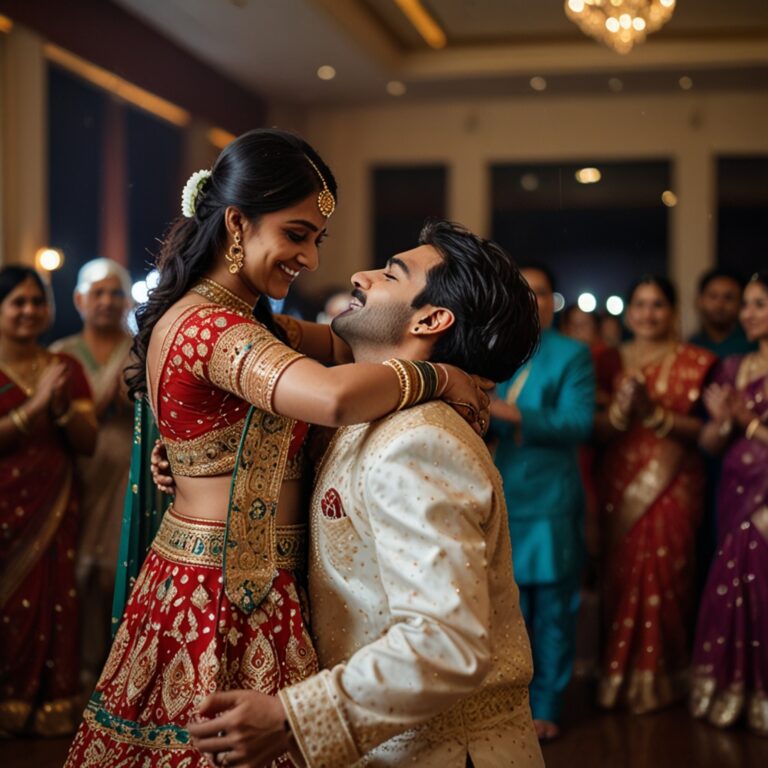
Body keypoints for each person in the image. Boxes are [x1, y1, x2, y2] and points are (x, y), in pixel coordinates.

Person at [64, 130, 487, 767]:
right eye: (296, 234)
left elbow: (350, 346)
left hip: (248, 582)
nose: (312, 259)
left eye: (316, 238)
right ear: (237, 222)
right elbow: (335, 397)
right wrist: (441, 376)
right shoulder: (214, 327)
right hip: (222, 597)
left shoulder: (252, 319)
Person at [183, 220, 544, 768]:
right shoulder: (376, 418)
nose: (359, 275)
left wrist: (290, 718)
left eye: (389, 274)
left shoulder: (419, 441)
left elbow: (448, 644)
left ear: (431, 318)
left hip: (446, 752)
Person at [596, 275, 716, 714]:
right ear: (628, 313)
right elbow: (598, 430)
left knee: (669, 574)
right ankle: (618, 675)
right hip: (622, 481)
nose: (648, 313)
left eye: (658, 305)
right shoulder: (609, 361)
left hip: (674, 485)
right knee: (623, 577)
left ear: (673, 311)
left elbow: (707, 431)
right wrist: (624, 411)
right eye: (641, 305)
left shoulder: (698, 361)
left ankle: (665, 677)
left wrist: (654, 412)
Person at [490, 265, 595, 741]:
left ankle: (549, 704)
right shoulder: (495, 350)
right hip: (501, 492)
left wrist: (507, 412)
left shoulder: (571, 354)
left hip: (551, 498)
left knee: (553, 607)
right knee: (507, 609)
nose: (532, 302)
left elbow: (577, 423)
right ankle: (512, 702)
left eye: (540, 293)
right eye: (523, 293)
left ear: (555, 300)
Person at [0, 266, 98, 736]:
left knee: (53, 596)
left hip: (54, 504)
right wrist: (33, 409)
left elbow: (87, 443)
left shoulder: (65, 369)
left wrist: (58, 408)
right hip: (3, 510)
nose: (29, 311)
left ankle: (48, 704)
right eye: (17, 302)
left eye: (37, 302)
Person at [50, 257, 134, 692]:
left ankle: (114, 674)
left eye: (115, 293)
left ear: (126, 302)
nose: (106, 301)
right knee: (76, 570)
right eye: (97, 293)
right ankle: (78, 670)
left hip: (125, 471)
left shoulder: (140, 351)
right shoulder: (60, 356)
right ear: (80, 300)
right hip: (74, 473)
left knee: (113, 570)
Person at [690, 271, 768, 736]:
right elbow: (709, 442)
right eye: (748, 304)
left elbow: (748, 427)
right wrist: (723, 423)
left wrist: (748, 422)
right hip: (735, 488)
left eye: (759, 304)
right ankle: (731, 693)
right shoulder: (731, 367)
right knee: (733, 588)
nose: (748, 314)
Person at [690, 267, 755, 358]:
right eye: (713, 296)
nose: (719, 305)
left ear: (741, 303)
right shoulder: (690, 347)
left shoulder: (753, 344)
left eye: (728, 298)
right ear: (699, 301)